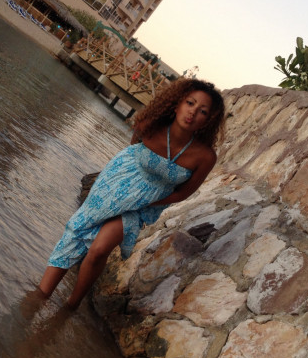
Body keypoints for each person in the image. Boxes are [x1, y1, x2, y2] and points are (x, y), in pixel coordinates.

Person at [38, 78, 226, 309]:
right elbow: (131, 153)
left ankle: (71, 306)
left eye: (202, 111)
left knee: (99, 249)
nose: (193, 112)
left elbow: (182, 193)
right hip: (115, 184)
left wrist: (146, 201)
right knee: (77, 230)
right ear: (178, 104)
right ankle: (40, 296)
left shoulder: (205, 157)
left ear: (208, 120)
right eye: (190, 103)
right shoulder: (150, 125)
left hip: (144, 206)